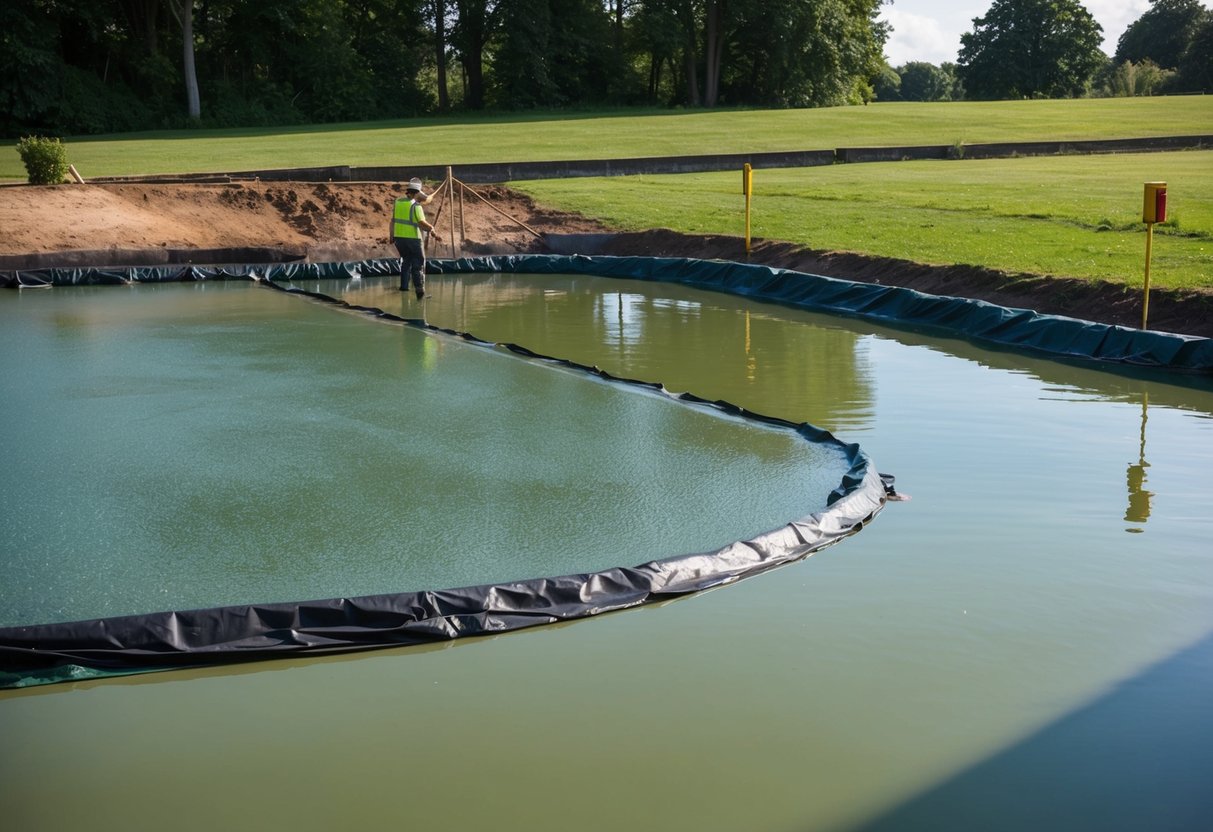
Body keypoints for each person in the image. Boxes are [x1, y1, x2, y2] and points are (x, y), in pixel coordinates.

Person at [390, 178, 440, 298]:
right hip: (413, 239)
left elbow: (392, 221)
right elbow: (421, 223)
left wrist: (391, 235)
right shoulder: (416, 206)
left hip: (399, 239)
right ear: (416, 193)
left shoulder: (397, 202)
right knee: (418, 264)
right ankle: (420, 293)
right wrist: (432, 229)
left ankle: (404, 288)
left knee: (406, 261)